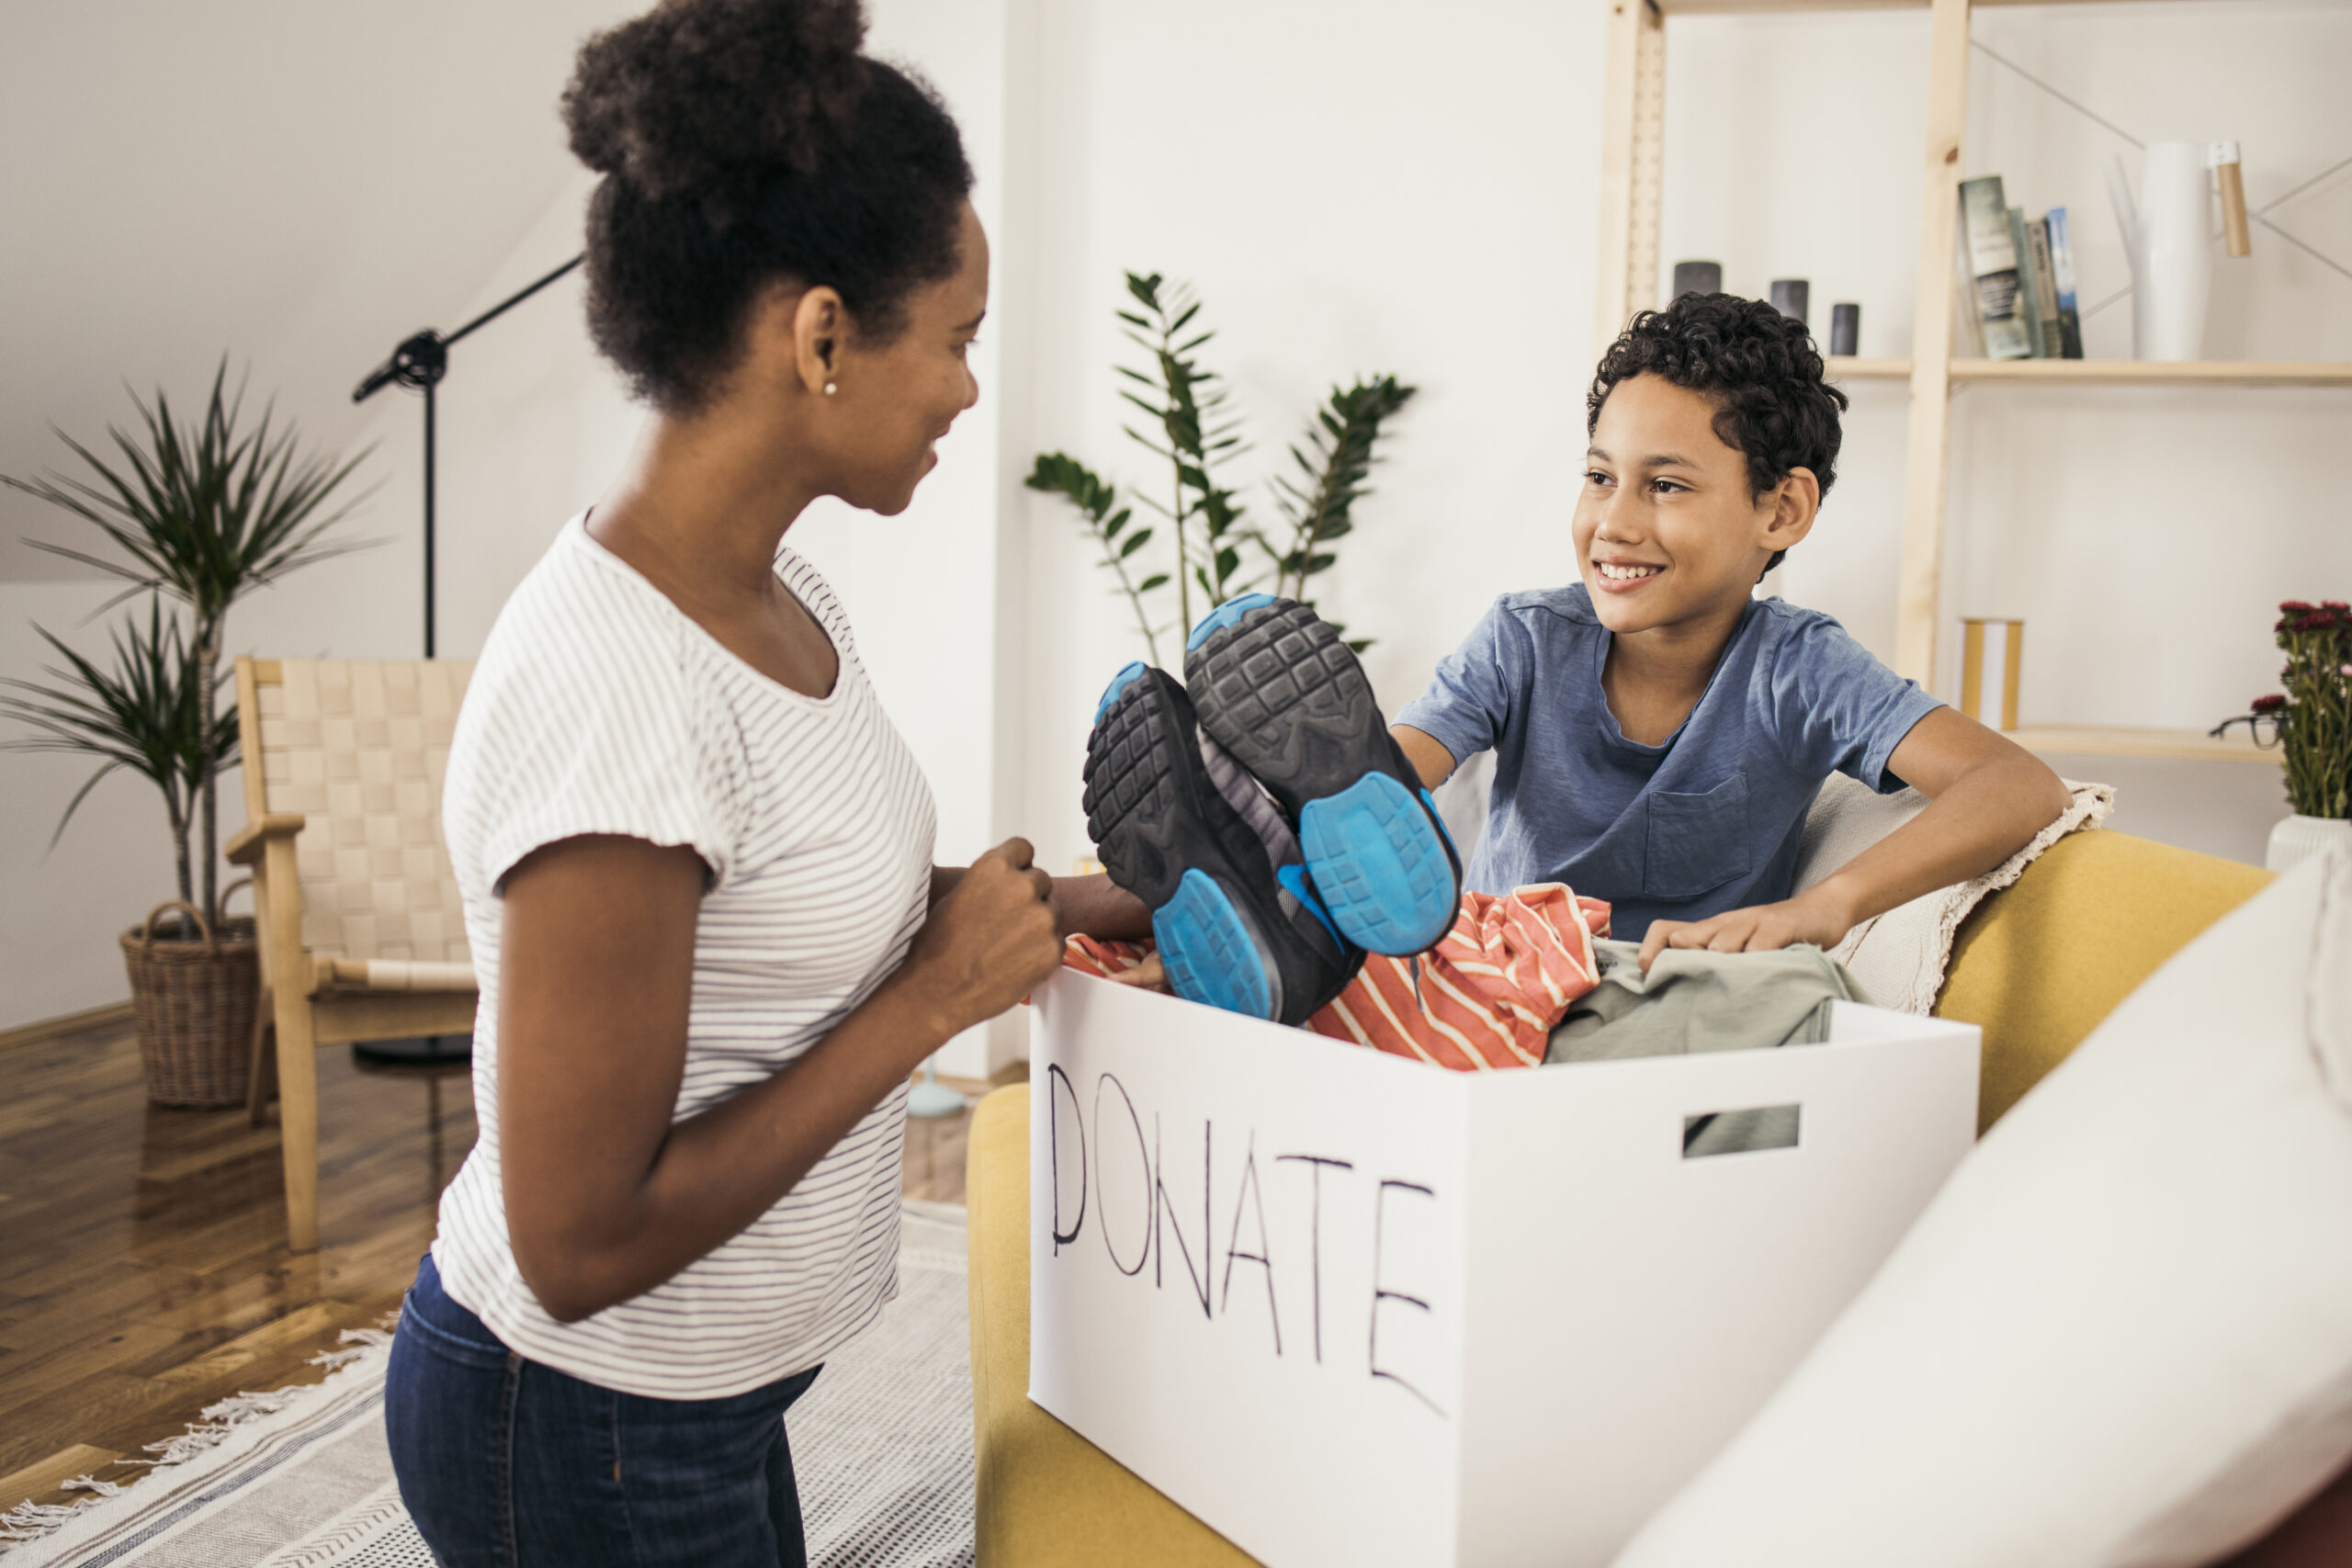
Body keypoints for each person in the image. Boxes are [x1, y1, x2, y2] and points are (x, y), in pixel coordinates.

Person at [382, 3, 1145, 1563]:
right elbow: (581, 1240)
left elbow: (800, 915)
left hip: (697, 1405)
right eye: (957, 337)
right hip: (577, 1421)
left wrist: (1084, 899)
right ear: (818, 337)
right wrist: (937, 1006)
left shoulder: (780, 597)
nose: (967, 391)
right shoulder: (618, 695)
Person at [1389, 291, 2071, 969]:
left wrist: (1826, 904)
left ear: (1781, 510)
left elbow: (2019, 784)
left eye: (1666, 486)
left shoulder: (1798, 668)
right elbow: (1379, 778)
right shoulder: (1523, 641)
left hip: (1682, 1014)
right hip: (1496, 989)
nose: (1613, 523)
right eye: (1600, 476)